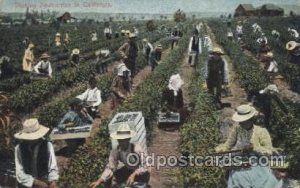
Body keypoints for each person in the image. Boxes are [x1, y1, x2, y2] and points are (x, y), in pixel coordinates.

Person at [215, 104, 282, 188]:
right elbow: (228, 145)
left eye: (243, 121)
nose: (241, 123)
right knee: (237, 177)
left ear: (250, 120)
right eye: (240, 121)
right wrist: (221, 150)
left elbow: (269, 151)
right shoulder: (237, 129)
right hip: (240, 161)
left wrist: (254, 148)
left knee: (262, 180)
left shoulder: (261, 131)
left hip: (258, 162)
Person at [90, 123, 149, 188]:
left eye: (124, 140)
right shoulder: (116, 151)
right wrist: (99, 180)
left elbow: (146, 165)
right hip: (129, 169)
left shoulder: (137, 149)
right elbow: (110, 167)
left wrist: (134, 174)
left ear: (128, 139)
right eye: (119, 140)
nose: (121, 142)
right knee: (112, 179)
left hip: (141, 172)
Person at [14, 118, 59, 188]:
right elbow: (19, 172)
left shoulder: (47, 145)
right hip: (26, 185)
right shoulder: (19, 148)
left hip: (44, 181)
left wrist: (53, 181)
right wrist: (35, 182)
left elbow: (52, 166)